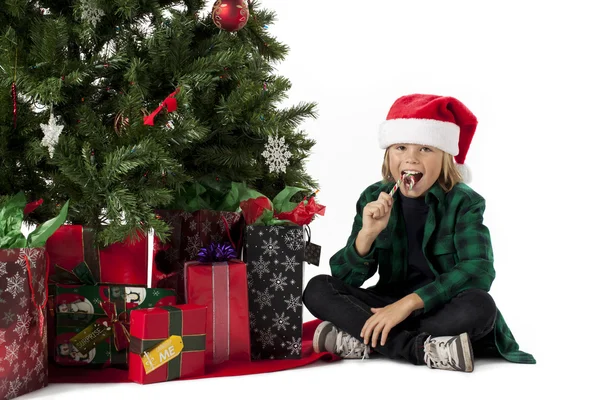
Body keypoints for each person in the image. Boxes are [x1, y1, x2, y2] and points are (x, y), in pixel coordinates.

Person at [302, 94, 536, 372]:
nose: (410, 158)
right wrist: (367, 235)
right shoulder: (373, 198)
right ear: (388, 155)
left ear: (445, 157)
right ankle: (420, 348)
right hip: (385, 304)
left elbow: (478, 270)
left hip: (439, 307)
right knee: (318, 288)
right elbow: (344, 277)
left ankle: (368, 337)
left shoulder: (464, 202)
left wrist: (409, 304)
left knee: (480, 306)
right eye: (400, 147)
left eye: (425, 149)